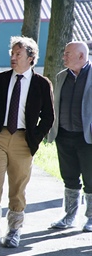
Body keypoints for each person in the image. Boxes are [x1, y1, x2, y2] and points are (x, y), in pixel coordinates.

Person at [0, 36, 54, 248]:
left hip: (23, 140)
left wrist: (34, 138)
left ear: (31, 58)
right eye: (12, 53)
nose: (13, 57)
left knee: (18, 185)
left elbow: (48, 116)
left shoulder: (41, 84)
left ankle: (14, 230)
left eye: (18, 54)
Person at [47, 41, 92, 232]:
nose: (63, 56)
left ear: (81, 57)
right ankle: (69, 216)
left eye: (67, 54)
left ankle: (90, 218)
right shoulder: (61, 76)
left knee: (91, 179)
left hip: (87, 137)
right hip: (64, 135)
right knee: (69, 177)